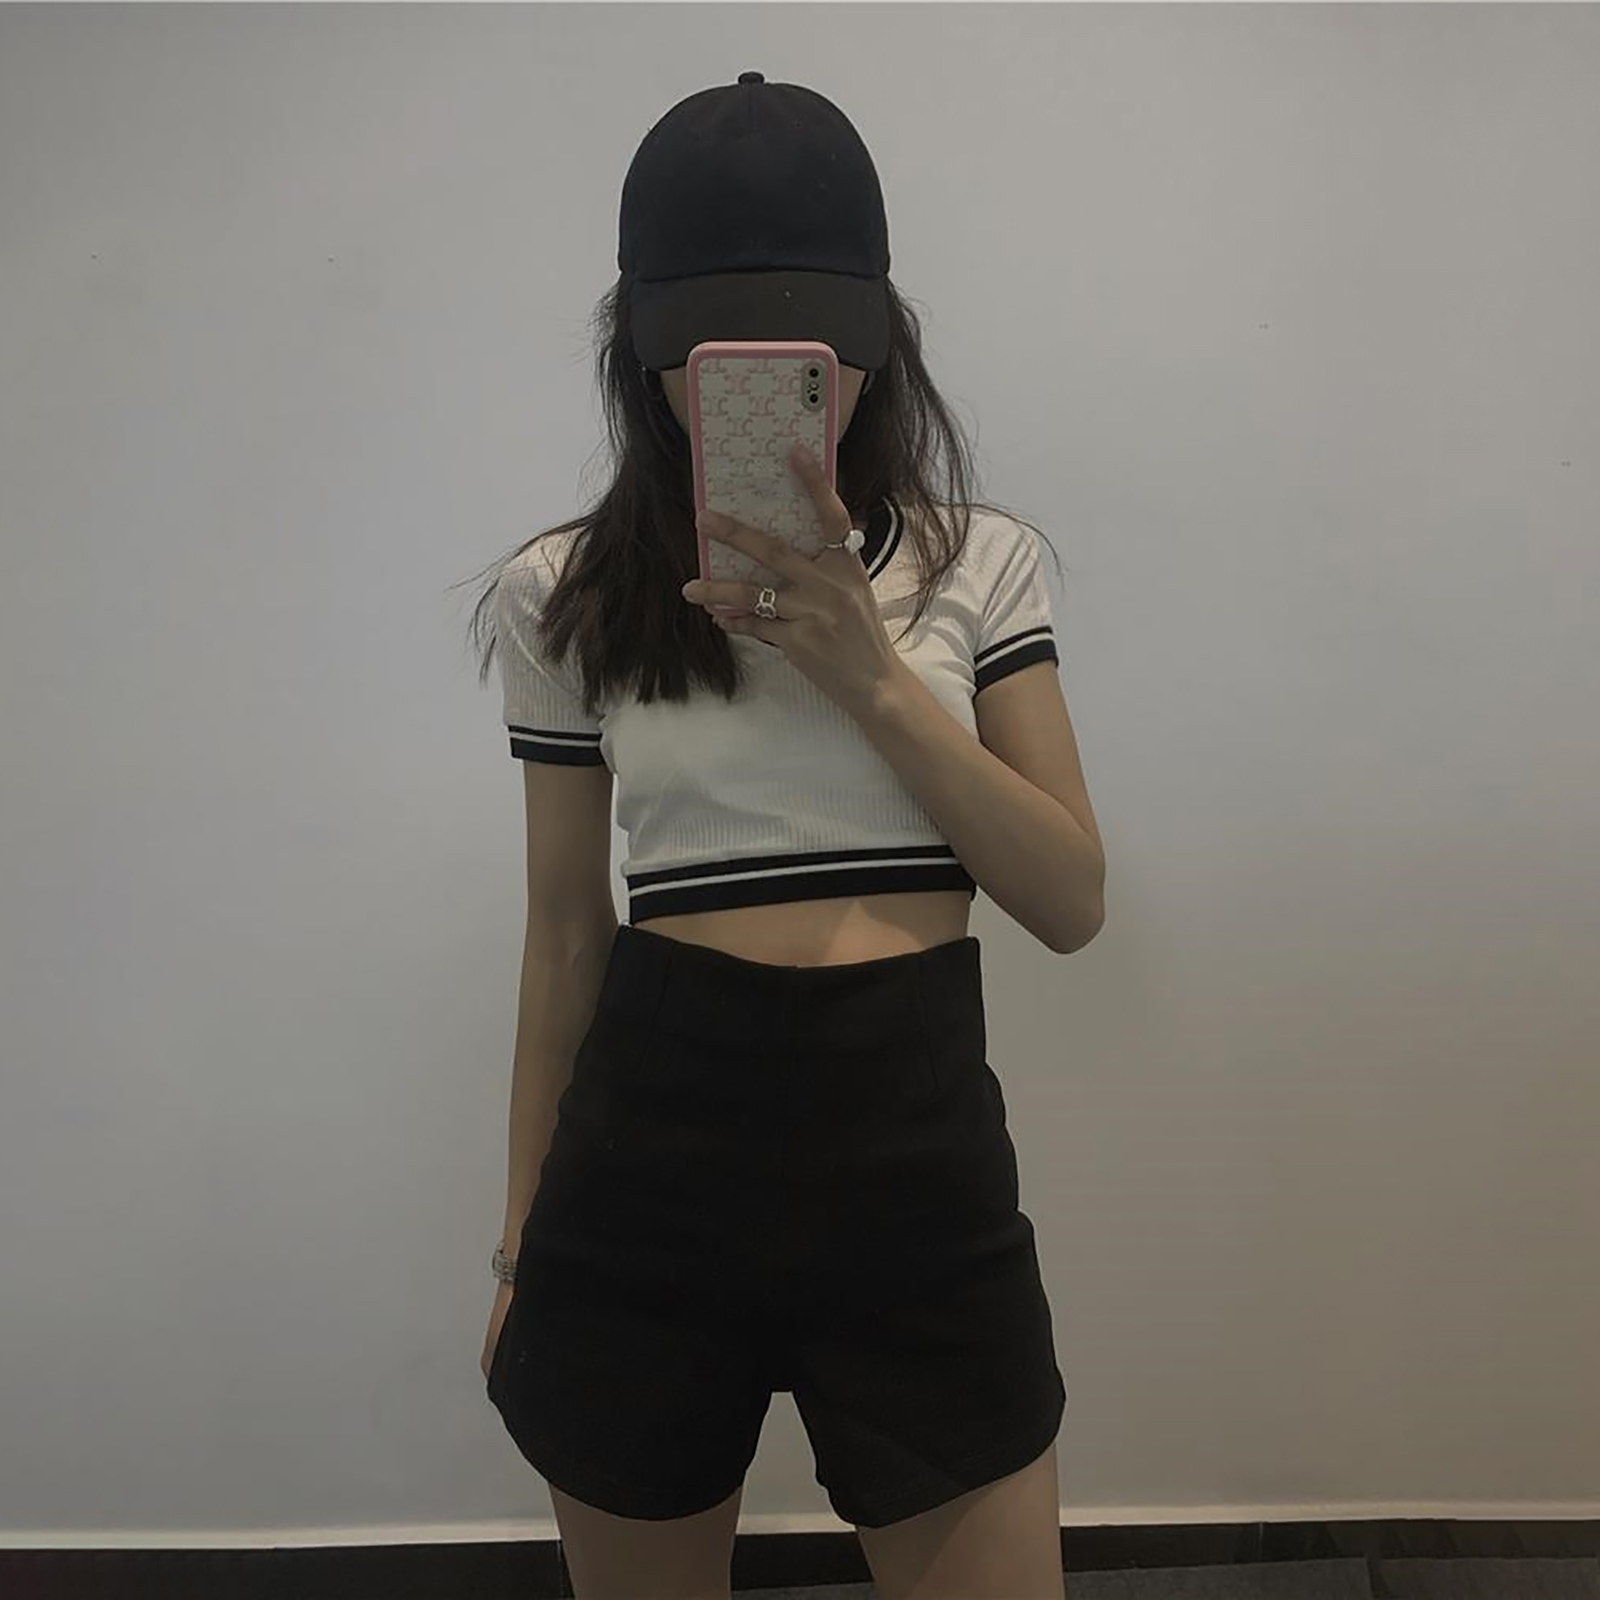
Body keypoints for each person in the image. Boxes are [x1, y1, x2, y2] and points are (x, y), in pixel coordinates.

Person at [474, 72, 1102, 1600]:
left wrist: (872, 677)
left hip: (915, 1152)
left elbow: (1070, 898)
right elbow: (565, 931)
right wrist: (518, 1240)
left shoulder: (977, 563)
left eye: (807, 344)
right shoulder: (564, 594)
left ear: (874, 341)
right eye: (707, 345)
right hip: (648, 1160)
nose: (748, 378)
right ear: (642, 346)